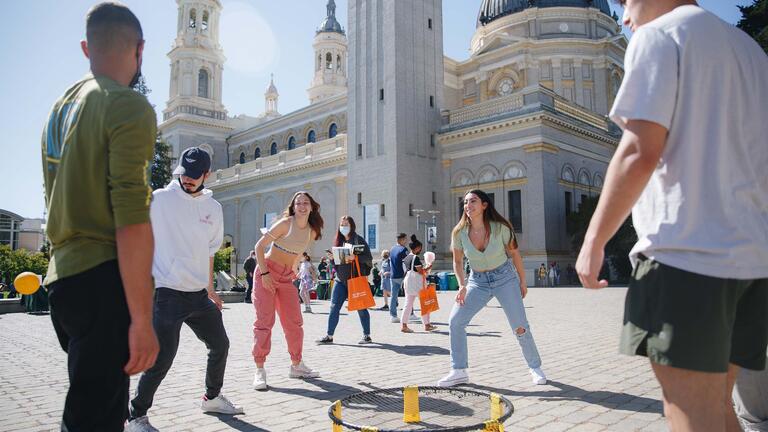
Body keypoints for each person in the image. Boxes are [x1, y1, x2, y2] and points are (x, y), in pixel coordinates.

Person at [575, 2, 768, 430]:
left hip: (687, 260)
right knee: (719, 409)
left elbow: (639, 151)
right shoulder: (751, 52)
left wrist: (593, 241)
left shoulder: (659, 35)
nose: (624, 18)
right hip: (753, 266)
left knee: (693, 417)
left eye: (625, 2)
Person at [40, 3, 160, 430]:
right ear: (140, 50)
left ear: (86, 47)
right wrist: (143, 319)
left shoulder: (61, 108)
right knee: (94, 419)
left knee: (86, 404)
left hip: (62, 280)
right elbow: (131, 218)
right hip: (102, 280)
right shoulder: (127, 106)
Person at [127, 147, 243, 431]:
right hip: (166, 292)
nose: (188, 180)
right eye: (184, 174)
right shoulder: (160, 200)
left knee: (220, 345)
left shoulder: (213, 209)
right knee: (163, 357)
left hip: (198, 295)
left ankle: (212, 398)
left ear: (207, 175)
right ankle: (134, 415)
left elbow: (209, 251)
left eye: (194, 176)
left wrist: (211, 289)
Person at [438, 190, 546, 387]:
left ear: (484, 205)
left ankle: (535, 367)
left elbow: (515, 254)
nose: (468, 205)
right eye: (465, 202)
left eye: (473, 201)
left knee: (520, 325)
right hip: (477, 282)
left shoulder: (500, 228)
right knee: (455, 321)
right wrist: (462, 285)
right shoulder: (459, 232)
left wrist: (522, 281)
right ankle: (459, 370)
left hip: (505, 278)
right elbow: (457, 261)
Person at [252, 192, 323, 390]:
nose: (301, 206)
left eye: (305, 203)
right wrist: (265, 273)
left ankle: (296, 365)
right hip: (267, 271)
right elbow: (259, 246)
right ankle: (260, 370)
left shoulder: (311, 230)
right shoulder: (286, 223)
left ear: (311, 207)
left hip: (285, 278)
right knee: (264, 322)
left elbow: (299, 252)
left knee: (294, 323)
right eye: (298, 203)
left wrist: (293, 268)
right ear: (293, 206)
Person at [317, 216, 374, 345]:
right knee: (334, 307)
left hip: (354, 280)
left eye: (346, 224)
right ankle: (329, 335)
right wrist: (332, 258)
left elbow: (368, 258)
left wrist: (355, 257)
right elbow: (338, 263)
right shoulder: (339, 241)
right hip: (340, 280)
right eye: (341, 224)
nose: (343, 227)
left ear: (352, 225)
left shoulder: (358, 240)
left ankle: (367, 335)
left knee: (361, 308)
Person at [400, 235, 436, 333]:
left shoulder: (407, 257)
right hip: (417, 283)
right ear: (417, 248)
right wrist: (429, 267)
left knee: (408, 304)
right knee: (425, 303)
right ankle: (427, 325)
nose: (421, 249)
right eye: (420, 248)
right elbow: (421, 271)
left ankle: (404, 325)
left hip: (408, 282)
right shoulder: (415, 258)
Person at [388, 233, 409, 322]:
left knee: (393, 296)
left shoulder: (392, 249)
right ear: (402, 240)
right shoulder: (403, 249)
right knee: (409, 295)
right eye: (405, 239)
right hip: (402, 275)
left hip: (393, 275)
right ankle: (410, 314)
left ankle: (393, 315)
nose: (406, 241)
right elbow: (407, 263)